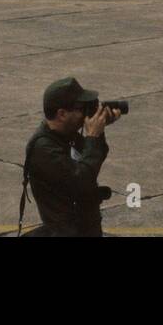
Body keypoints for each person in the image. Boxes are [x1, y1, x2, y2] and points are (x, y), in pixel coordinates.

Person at [22, 77, 121, 236]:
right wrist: (93, 136)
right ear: (62, 114)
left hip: (83, 227)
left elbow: (93, 157)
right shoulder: (44, 149)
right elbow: (82, 179)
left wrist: (98, 132)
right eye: (81, 109)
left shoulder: (67, 135)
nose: (85, 115)